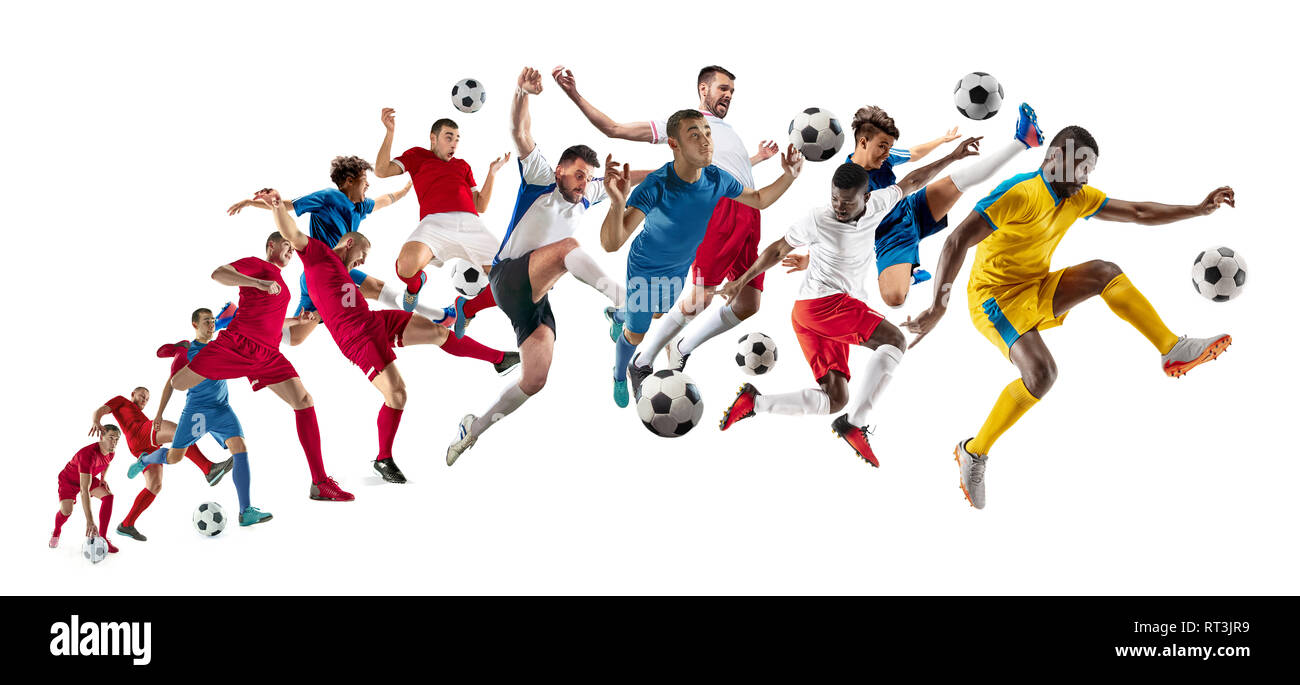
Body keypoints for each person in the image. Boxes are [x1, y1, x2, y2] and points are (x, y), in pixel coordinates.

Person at [903, 126, 1236, 509]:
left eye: (1090, 170)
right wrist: (939, 306)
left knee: (1103, 271)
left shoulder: (1077, 198)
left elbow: (1138, 212)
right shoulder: (1019, 193)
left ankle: (1172, 349)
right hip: (993, 300)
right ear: (1054, 158)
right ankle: (973, 452)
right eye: (1080, 167)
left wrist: (1199, 208)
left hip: (1035, 285)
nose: (1085, 177)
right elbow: (956, 240)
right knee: (1042, 375)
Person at [717, 152, 976, 465]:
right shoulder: (817, 218)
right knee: (895, 341)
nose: (839, 206)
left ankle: (754, 403)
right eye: (835, 199)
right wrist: (741, 281)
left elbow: (913, 181)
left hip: (813, 315)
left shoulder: (879, 204)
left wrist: (955, 155)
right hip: (822, 305)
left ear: (865, 198)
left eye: (846, 202)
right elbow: (777, 249)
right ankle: (854, 424)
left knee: (835, 398)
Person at [251, 187, 521, 484]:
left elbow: (338, 306)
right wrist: (277, 205)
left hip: (374, 321)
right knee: (398, 394)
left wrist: (313, 317)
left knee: (436, 333)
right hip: (358, 340)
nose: (363, 261)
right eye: (362, 255)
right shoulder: (318, 257)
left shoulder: (348, 275)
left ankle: (498, 359)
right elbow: (292, 232)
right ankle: (383, 458)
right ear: (349, 243)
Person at [446, 67, 640, 465]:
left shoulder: (589, 194)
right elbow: (520, 132)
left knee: (535, 380)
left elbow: (631, 177)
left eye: (588, 179)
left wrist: (677, 174)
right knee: (569, 246)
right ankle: (621, 302)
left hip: (534, 297)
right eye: (578, 177)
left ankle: (473, 429)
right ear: (560, 172)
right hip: (508, 276)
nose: (584, 185)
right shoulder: (540, 179)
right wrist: (522, 92)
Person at [552, 64, 784, 371]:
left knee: (748, 304)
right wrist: (573, 93)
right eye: (723, 88)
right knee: (701, 298)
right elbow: (614, 128)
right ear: (704, 89)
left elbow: (726, 171)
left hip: (749, 212)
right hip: (717, 212)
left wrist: (755, 159)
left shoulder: (723, 132)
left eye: (732, 91)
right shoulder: (679, 125)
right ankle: (642, 359)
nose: (729, 95)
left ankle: (677, 345)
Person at [600, 108, 802, 407]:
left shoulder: (716, 178)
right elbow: (612, 243)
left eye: (708, 133)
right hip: (646, 267)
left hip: (678, 268)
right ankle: (622, 373)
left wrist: (789, 176)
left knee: (659, 313)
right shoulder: (657, 185)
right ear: (674, 144)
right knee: (637, 334)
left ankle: (619, 314)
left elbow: (759, 199)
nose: (706, 141)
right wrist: (617, 204)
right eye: (695, 135)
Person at [167, 232, 354, 501]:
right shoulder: (258, 265)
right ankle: (187, 347)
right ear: (272, 246)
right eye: (287, 245)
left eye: (293, 247)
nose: (291, 250)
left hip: (267, 354)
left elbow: (271, 322)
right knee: (178, 383)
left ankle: (320, 482)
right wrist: (257, 282)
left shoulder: (282, 285)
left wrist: (298, 320)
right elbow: (218, 274)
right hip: (237, 345)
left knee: (304, 400)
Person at [817, 104, 1044, 307]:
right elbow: (837, 230)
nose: (887, 153)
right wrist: (952, 156)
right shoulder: (848, 184)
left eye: (889, 147)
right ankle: (913, 275)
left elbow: (914, 154)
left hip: (912, 210)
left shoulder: (884, 155)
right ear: (863, 142)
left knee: (962, 180)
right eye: (883, 147)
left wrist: (942, 141)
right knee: (894, 299)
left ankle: (1023, 141)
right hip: (890, 239)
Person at [228, 155, 415, 344]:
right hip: (325, 270)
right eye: (365, 181)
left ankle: (239, 318)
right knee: (375, 288)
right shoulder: (328, 197)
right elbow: (289, 205)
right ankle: (434, 315)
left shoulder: (360, 207)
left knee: (294, 337)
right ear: (350, 181)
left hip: (316, 279)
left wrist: (405, 190)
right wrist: (252, 203)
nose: (368, 186)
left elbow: (385, 200)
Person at [128, 308, 272, 528]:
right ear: (195, 325)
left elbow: (236, 324)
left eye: (213, 321)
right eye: (206, 321)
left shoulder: (220, 344)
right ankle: (145, 460)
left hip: (222, 408)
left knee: (240, 448)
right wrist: (159, 413)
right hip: (198, 412)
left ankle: (246, 511)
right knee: (175, 457)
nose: (211, 325)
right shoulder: (186, 353)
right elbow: (171, 383)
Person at [373, 109, 511, 315]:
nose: (454, 143)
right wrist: (390, 133)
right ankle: (414, 286)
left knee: (510, 280)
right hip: (434, 224)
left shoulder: (463, 166)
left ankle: (467, 309)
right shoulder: (417, 156)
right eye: (449, 138)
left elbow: (480, 205)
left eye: (457, 139)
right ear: (433, 138)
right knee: (405, 266)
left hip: (470, 224)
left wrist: (492, 173)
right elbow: (382, 171)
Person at [93, 379, 234, 541]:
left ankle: (126, 524)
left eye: (146, 399)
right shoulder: (122, 401)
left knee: (154, 486)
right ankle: (208, 469)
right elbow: (102, 410)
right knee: (179, 432)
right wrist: (97, 420)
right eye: (141, 396)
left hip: (143, 445)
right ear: (132, 394)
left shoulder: (140, 415)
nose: (144, 400)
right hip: (140, 433)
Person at [51, 426, 121, 553]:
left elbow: (107, 463)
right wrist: (90, 521)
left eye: (116, 439)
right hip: (69, 481)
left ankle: (103, 538)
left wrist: (103, 478)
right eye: (111, 438)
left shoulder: (111, 452)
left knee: (109, 497)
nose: (114, 442)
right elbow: (84, 490)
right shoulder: (88, 455)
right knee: (66, 511)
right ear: (101, 437)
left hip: (86, 477)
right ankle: (56, 531)